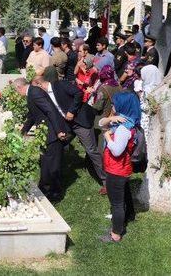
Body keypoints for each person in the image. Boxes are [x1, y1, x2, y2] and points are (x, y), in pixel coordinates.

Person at [32, 76, 106, 193]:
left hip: (80, 122)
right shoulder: (44, 96)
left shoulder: (61, 84)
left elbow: (79, 93)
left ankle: (106, 180)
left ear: (39, 84)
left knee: (91, 150)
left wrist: (72, 111)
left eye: (35, 89)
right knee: (56, 146)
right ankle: (55, 178)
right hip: (66, 125)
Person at [14, 78, 69, 201]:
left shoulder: (34, 93)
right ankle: (45, 188)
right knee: (46, 161)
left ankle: (55, 193)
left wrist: (59, 130)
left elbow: (50, 110)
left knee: (53, 164)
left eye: (16, 91)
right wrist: (23, 131)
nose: (18, 94)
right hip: (47, 131)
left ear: (19, 87)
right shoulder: (32, 93)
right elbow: (33, 115)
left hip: (52, 132)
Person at [98, 91, 140, 243]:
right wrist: (111, 118)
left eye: (115, 104)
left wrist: (107, 136)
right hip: (123, 168)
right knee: (124, 195)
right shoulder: (127, 121)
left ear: (123, 105)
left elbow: (116, 151)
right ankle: (129, 216)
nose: (113, 106)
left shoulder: (122, 129)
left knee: (116, 203)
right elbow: (100, 123)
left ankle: (116, 234)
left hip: (117, 169)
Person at [91, 65, 123, 131]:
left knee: (102, 136)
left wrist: (92, 105)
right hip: (116, 115)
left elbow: (98, 106)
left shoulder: (103, 88)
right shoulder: (119, 85)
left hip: (103, 116)